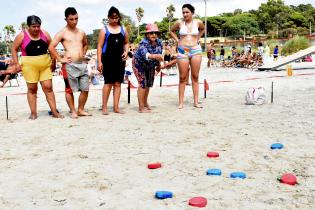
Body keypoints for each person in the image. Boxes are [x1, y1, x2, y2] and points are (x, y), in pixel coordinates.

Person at [10, 15, 63, 119]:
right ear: (28, 26)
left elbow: (51, 48)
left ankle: (54, 111)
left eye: (38, 26)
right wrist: (16, 64)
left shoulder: (45, 34)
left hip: (44, 64)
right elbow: (14, 49)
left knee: (48, 88)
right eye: (34, 26)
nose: (36, 29)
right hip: (29, 65)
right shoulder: (22, 35)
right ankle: (33, 113)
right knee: (32, 89)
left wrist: (54, 62)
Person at [49, 7, 91, 119]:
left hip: (82, 64)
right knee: (69, 90)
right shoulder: (62, 33)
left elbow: (86, 44)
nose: (74, 21)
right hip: (69, 65)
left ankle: (81, 109)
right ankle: (73, 111)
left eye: (76, 18)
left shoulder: (81, 31)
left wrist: (83, 53)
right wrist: (60, 59)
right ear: (66, 19)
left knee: (85, 88)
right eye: (71, 19)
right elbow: (51, 47)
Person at [170, 4, 205, 109]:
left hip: (195, 49)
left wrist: (198, 38)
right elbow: (171, 31)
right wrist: (177, 40)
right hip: (182, 50)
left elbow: (203, 29)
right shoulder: (179, 23)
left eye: (187, 12)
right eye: (183, 12)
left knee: (195, 77)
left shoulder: (198, 22)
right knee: (182, 77)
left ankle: (196, 102)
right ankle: (180, 102)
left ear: (192, 13)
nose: (185, 14)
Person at [97, 6, 129, 115]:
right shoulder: (104, 30)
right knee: (108, 83)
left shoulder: (123, 29)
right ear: (108, 18)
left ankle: (116, 107)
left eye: (116, 18)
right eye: (112, 18)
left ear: (119, 17)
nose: (114, 20)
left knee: (118, 83)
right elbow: (100, 47)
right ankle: (104, 107)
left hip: (120, 60)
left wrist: (126, 51)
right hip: (107, 60)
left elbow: (126, 42)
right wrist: (99, 61)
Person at [132, 23, 163, 113]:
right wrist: (155, 56)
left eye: (155, 33)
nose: (154, 35)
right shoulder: (143, 42)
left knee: (148, 84)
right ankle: (141, 107)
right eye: (151, 33)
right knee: (142, 84)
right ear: (147, 34)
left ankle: (145, 103)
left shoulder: (159, 42)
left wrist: (159, 65)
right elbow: (145, 54)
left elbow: (159, 54)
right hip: (139, 64)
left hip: (150, 65)